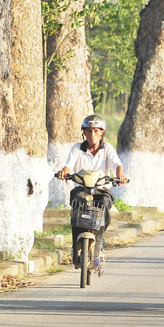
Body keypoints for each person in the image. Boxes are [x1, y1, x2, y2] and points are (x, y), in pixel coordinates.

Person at [56, 115, 129, 269]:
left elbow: (117, 165)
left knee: (103, 204)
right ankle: (75, 245)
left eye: (96, 131)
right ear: (84, 133)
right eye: (89, 131)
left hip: (102, 189)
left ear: (102, 133)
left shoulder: (107, 148)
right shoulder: (77, 148)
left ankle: (100, 244)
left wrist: (119, 175)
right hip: (82, 188)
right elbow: (69, 165)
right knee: (77, 204)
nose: (92, 134)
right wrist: (64, 171)